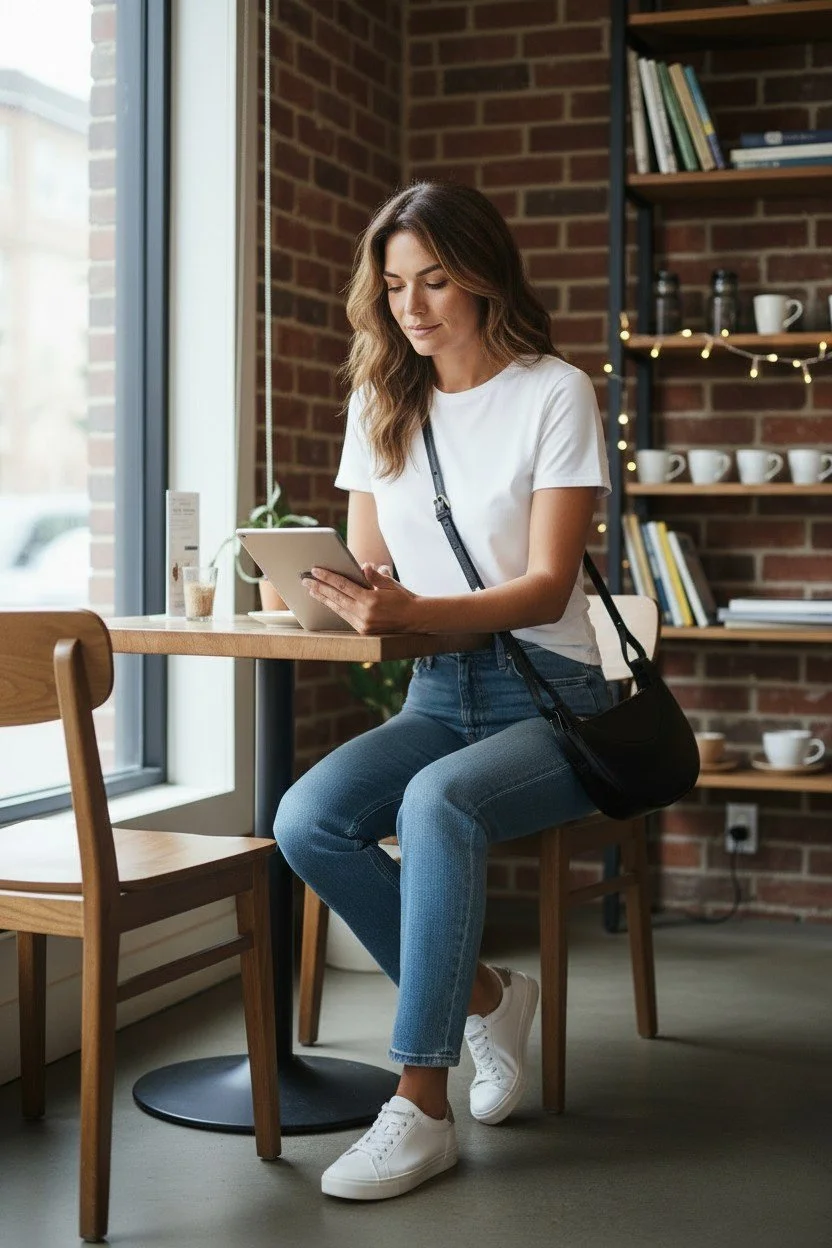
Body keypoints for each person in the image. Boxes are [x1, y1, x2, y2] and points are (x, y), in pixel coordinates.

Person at [275, 180, 612, 1201]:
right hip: (435, 691)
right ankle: (488, 997)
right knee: (308, 820)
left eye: (434, 280)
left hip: (551, 691)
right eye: (393, 285)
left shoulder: (555, 391)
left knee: (438, 803)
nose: (412, 307)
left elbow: (547, 585)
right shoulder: (379, 401)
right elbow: (376, 578)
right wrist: (323, 586)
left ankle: (419, 1099)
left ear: (481, 278)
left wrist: (406, 609)